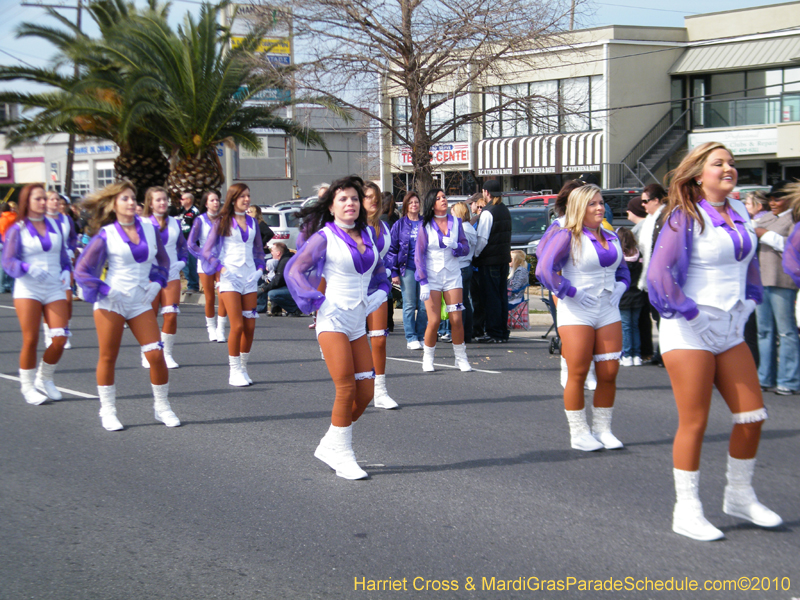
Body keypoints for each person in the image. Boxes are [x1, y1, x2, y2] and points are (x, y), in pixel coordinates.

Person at [647, 141, 782, 541]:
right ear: (697, 173)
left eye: (731, 163)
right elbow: (659, 275)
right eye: (718, 163)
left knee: (752, 416)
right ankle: (685, 510)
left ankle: (739, 495)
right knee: (695, 421)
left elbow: (750, 263)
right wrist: (690, 312)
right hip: (688, 329)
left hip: (730, 327)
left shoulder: (740, 210)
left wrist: (750, 301)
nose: (728, 169)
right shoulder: (682, 216)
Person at [285, 176, 390, 479]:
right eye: (343, 199)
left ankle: (331, 443)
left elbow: (380, 273)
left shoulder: (369, 235)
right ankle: (343, 454)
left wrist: (380, 293)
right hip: (332, 320)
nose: (350, 204)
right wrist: (314, 299)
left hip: (358, 322)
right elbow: (295, 270)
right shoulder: (324, 237)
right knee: (345, 387)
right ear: (331, 206)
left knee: (366, 392)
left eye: (354, 199)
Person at [74, 181, 179, 431]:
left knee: (156, 354)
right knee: (108, 356)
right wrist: (106, 290)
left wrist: (157, 282)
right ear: (113, 204)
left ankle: (162, 406)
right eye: (125, 199)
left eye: (133, 198)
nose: (132, 202)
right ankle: (108, 410)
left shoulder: (149, 228)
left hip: (141, 300)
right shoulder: (105, 234)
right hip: (111, 302)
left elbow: (163, 260)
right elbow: (82, 270)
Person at [536, 184, 629, 452]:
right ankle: (579, 432)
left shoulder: (611, 235)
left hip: (608, 307)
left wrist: (622, 286)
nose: (600, 207)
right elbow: (544, 269)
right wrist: (569, 291)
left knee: (609, 372)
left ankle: (603, 429)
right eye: (592, 204)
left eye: (601, 202)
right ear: (579, 208)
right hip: (577, 310)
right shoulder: (566, 235)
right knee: (577, 372)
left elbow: (623, 269)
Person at [2, 183, 72, 404]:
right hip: (28, 289)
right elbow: (8, 261)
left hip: (54, 287)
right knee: (31, 339)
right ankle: (27, 386)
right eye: (38, 199)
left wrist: (66, 271)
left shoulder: (55, 223)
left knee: (60, 337)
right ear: (27, 202)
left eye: (45, 198)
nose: (43, 202)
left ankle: (45, 378)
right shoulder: (17, 228)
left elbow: (62, 254)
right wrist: (27, 268)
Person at [201, 183, 266, 387]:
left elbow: (258, 251)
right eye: (242, 196)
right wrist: (222, 270)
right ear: (232, 198)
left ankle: (243, 367)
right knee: (237, 325)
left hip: (249, 278)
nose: (246, 199)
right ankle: (234, 370)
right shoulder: (222, 221)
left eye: (248, 195)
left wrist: (259, 270)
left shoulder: (253, 222)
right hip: (229, 278)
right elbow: (207, 252)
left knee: (250, 326)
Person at [537, 179, 598, 391]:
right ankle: (567, 369)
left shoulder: (595, 224)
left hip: (593, 286)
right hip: (567, 286)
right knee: (570, 334)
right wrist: (561, 281)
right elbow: (542, 256)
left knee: (590, 332)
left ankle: (588, 370)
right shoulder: (560, 225)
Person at [415, 188, 472, 372]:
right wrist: (422, 280)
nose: (443, 200)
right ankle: (428, 357)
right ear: (432, 203)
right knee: (434, 321)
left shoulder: (456, 222)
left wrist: (456, 246)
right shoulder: (424, 225)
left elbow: (465, 247)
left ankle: (461, 357)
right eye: (438, 198)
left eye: (444, 197)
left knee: (456, 319)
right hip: (431, 276)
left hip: (452, 274)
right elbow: (419, 255)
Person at [751, 180, 800, 395]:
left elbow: (790, 246)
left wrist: (763, 233)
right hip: (762, 279)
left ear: (790, 198)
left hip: (783, 280)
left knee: (787, 331)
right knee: (764, 331)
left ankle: (789, 380)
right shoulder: (765, 218)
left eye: (777, 198)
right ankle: (765, 377)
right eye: (770, 198)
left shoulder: (794, 218)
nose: (772, 202)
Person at [141, 186, 189, 369]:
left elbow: (183, 247)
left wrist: (182, 262)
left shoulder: (175, 222)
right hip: (149, 275)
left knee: (170, 315)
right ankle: (147, 351)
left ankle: (166, 353)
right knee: (149, 316)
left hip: (171, 274)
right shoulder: (142, 223)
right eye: (158, 200)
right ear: (150, 203)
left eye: (164, 199)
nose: (162, 203)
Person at [362, 181, 398, 408]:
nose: (373, 201)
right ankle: (357, 387)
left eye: (376, 196)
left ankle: (380, 391)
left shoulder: (384, 227)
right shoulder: (350, 227)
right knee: (353, 344)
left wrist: (388, 281)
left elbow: (388, 257)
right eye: (367, 196)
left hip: (378, 290)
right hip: (354, 291)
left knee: (379, 340)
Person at [386, 191, 427, 350]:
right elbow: (392, 249)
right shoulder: (399, 225)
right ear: (406, 206)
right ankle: (411, 337)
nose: (414, 205)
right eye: (411, 203)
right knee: (409, 304)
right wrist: (394, 272)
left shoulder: (426, 222)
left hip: (424, 270)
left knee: (424, 305)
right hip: (407, 269)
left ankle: (421, 334)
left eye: (416, 202)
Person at [187, 190, 228, 342]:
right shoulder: (200, 220)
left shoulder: (224, 219)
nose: (216, 203)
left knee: (223, 295)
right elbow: (191, 243)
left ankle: (221, 328)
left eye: (217, 200)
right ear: (206, 203)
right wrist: (203, 255)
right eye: (212, 200)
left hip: (222, 261)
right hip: (205, 261)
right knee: (209, 297)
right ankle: (211, 328)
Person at [473, 180, 511, 343]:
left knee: (491, 297)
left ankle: (494, 332)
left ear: (486, 192)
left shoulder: (488, 212)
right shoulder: (504, 210)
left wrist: (475, 255)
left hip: (489, 261)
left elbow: (482, 239)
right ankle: (502, 331)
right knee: (501, 296)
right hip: (503, 259)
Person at [637, 183, 668, 366]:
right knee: (657, 317)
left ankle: (665, 353)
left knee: (663, 317)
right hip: (650, 276)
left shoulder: (665, 218)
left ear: (656, 200)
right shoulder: (651, 219)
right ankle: (660, 352)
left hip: (662, 278)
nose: (643, 205)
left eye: (645, 201)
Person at [44, 190, 78, 349]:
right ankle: (49, 333)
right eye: (52, 199)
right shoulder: (40, 220)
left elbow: (73, 237)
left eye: (57, 199)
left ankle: (65, 329)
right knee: (49, 300)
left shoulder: (66, 219)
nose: (55, 202)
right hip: (48, 263)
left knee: (67, 300)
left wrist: (71, 249)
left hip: (65, 263)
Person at [616, 227, 645, 366]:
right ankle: (636, 355)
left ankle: (626, 354)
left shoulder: (619, 257)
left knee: (626, 326)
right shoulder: (639, 255)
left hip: (624, 296)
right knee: (634, 325)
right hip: (638, 295)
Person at [450, 202, 476, 343]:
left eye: (453, 212)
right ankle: (467, 333)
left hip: (460, 266)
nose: (451, 215)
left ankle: (461, 333)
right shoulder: (470, 228)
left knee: (459, 303)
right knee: (465, 300)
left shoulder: (461, 229)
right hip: (467, 266)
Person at [259, 242, 302, 315]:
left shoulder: (285, 261)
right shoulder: (284, 259)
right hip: (293, 288)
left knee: (272, 293)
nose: (271, 252)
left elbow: (278, 281)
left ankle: (295, 308)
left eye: (272, 250)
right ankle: (276, 310)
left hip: (297, 290)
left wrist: (264, 289)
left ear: (278, 253)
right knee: (271, 288)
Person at [178, 191, 200, 292]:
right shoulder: (181, 211)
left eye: (182, 199)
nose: (180, 201)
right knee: (185, 264)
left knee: (191, 264)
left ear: (189, 200)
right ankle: (190, 284)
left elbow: (197, 228)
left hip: (191, 243)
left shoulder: (194, 211)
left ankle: (194, 286)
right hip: (182, 243)